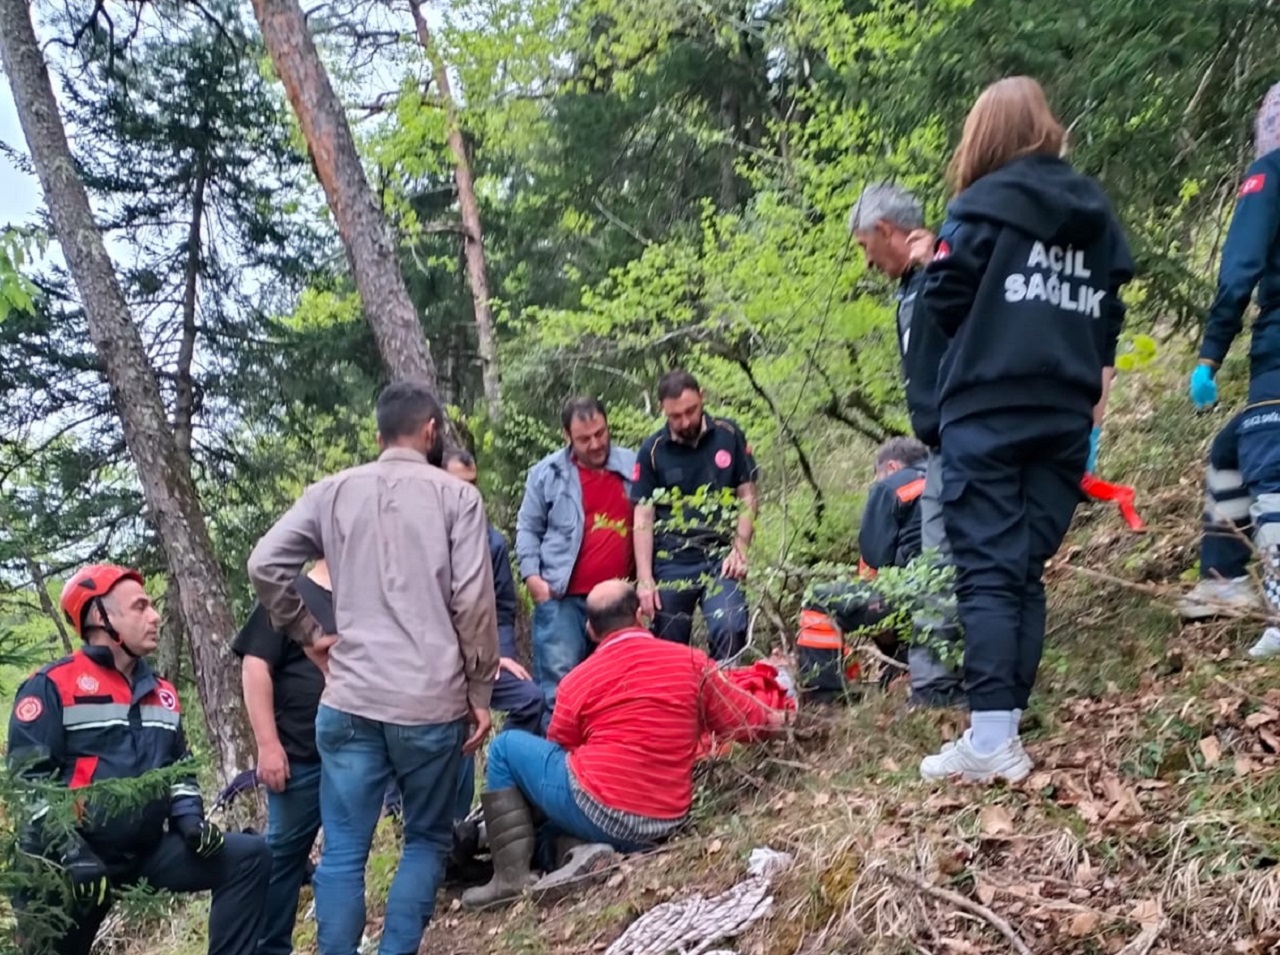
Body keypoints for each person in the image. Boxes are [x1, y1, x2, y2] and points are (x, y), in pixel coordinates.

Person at [914, 76, 1134, 782]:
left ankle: (991, 739)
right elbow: (1109, 310)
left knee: (986, 567)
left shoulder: (978, 208)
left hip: (987, 409)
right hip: (1065, 412)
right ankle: (1001, 730)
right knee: (1022, 567)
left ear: (984, 136)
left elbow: (943, 298)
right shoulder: (1095, 212)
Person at [247, 382, 500, 955]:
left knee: (341, 851)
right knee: (426, 839)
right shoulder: (457, 499)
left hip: (349, 702)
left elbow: (264, 563)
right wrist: (479, 688)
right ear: (432, 431)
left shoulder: (331, 493)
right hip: (429, 703)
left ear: (380, 433)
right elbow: (473, 603)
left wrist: (308, 632)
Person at [460, 580, 786, 910]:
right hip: (663, 821)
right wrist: (784, 718)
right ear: (640, 614)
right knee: (546, 830)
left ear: (590, 628)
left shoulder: (577, 681)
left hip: (600, 809)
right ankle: (579, 854)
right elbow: (746, 720)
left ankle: (510, 880)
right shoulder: (692, 661)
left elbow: (562, 747)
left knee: (505, 747)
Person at [7, 564, 271, 955]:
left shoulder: (162, 692)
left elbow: (179, 768)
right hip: (65, 864)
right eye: (140, 607)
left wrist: (189, 820)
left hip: (142, 853)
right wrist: (72, 851)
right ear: (101, 617)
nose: (155, 616)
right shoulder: (51, 686)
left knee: (250, 857)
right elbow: (29, 785)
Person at [849, 184, 964, 706]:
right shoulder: (908, 288)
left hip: (965, 438)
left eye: (863, 246)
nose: (866, 261)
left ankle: (941, 685)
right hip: (940, 441)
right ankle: (940, 683)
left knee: (944, 561)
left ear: (886, 231)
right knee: (943, 561)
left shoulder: (946, 269)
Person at [1178, 81, 1280, 643]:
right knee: (1231, 446)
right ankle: (1223, 575)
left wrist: (1210, 355)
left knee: (1269, 463)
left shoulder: (1269, 174)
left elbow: (1240, 267)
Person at [232, 560, 333, 955]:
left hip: (355, 757)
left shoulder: (366, 593)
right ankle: (267, 947)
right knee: (282, 860)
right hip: (299, 756)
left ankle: (338, 944)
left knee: (343, 856)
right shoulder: (291, 593)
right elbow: (256, 666)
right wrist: (268, 745)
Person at [516, 396, 637, 712]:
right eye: (585, 438)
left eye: (601, 433)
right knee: (561, 686)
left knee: (619, 685)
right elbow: (528, 528)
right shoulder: (545, 474)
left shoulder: (633, 466)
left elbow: (651, 523)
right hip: (562, 598)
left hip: (619, 600)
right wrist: (532, 578)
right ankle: (558, 758)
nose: (596, 443)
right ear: (567, 436)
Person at [442, 449, 545, 820]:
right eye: (457, 485)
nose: (466, 494)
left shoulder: (492, 543)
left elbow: (502, 608)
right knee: (451, 725)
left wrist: (500, 654)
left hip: (483, 656)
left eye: (472, 485)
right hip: (435, 663)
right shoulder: (419, 537)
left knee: (531, 698)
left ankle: (501, 796)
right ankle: (447, 828)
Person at [632, 370, 759, 661]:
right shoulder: (652, 451)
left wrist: (739, 551)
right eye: (675, 416)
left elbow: (748, 496)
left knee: (730, 627)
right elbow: (643, 517)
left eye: (691, 411)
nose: (685, 421)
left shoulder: (729, 434)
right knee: (667, 642)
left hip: (720, 556)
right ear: (663, 409)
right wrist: (645, 578)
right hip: (672, 561)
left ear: (702, 397)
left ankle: (726, 697)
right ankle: (680, 704)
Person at [796, 437, 927, 702]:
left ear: (890, 467)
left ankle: (826, 699)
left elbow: (874, 556)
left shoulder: (892, 486)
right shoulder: (954, 474)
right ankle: (902, 668)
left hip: (916, 593)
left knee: (821, 601)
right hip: (966, 592)